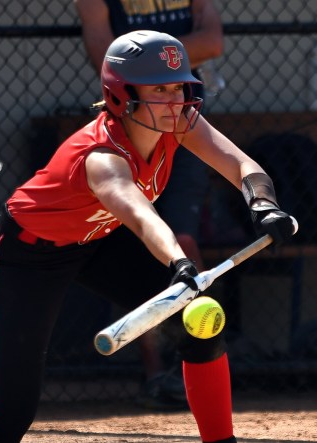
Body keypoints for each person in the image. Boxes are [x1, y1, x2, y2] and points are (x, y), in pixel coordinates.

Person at [0, 30, 294, 443]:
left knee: (201, 326)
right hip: (31, 252)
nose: (176, 99)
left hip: (100, 238)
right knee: (8, 418)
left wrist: (263, 204)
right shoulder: (101, 157)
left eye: (179, 87)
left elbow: (241, 165)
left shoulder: (179, 118)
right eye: (160, 88)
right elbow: (140, 215)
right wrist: (178, 263)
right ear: (122, 95)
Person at [75, 0, 224, 408]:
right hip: (135, 126)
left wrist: (152, 65)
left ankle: (190, 363)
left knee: (183, 242)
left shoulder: (180, 102)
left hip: (178, 122)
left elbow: (213, 41)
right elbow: (106, 58)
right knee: (146, 245)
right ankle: (156, 374)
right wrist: (172, 59)